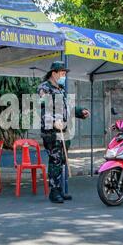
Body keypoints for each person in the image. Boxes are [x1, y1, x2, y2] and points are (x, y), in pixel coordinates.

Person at [38, 61, 90, 203]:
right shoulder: (44, 88)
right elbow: (43, 109)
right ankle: (54, 192)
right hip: (52, 132)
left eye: (65, 73)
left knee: (62, 161)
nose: (64, 75)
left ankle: (60, 189)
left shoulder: (61, 89)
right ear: (53, 73)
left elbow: (69, 107)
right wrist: (53, 122)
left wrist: (81, 112)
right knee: (55, 160)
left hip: (64, 131)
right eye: (62, 73)